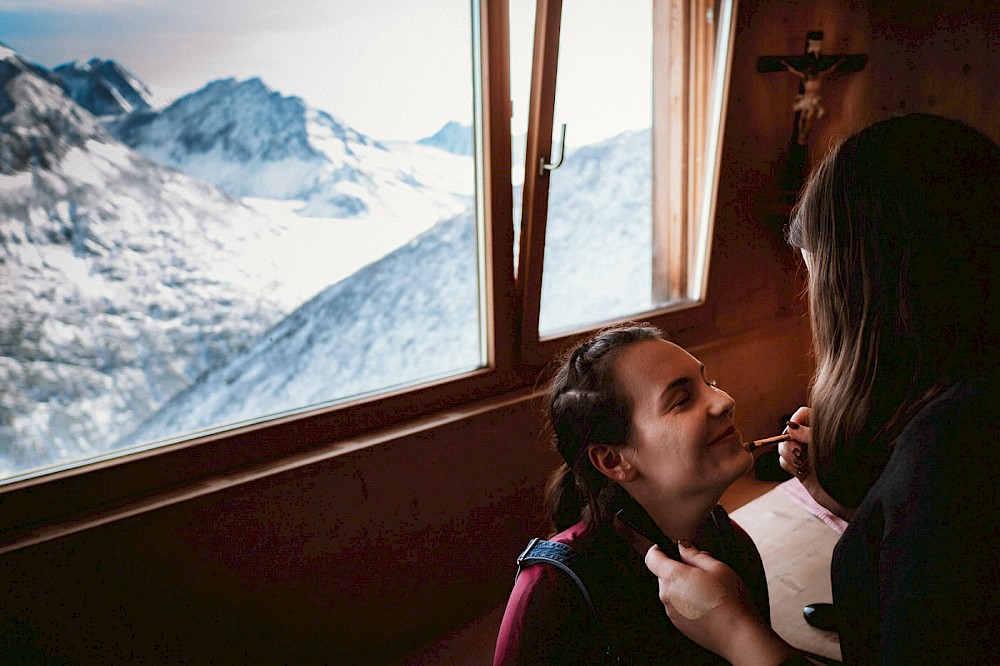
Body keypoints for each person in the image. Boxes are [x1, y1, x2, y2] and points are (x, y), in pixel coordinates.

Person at [645, 113, 1000, 664]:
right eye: (681, 396)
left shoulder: (956, 449)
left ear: (874, 288)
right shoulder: (961, 423)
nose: (725, 402)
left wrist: (742, 637)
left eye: (820, 278)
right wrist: (868, 501)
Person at [494, 323, 774, 665]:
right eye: (682, 399)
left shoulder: (732, 544)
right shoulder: (551, 594)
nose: (724, 400)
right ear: (614, 460)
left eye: (709, 384)